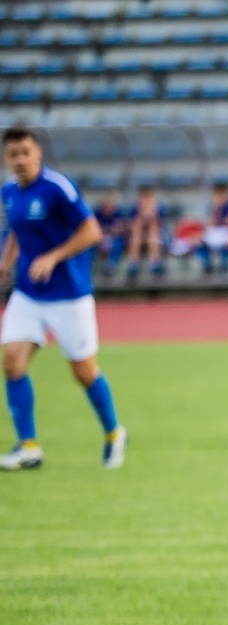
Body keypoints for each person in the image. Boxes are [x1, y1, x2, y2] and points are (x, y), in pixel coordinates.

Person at [0, 127, 126, 472]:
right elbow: (16, 230)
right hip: (29, 293)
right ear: (6, 158)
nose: (21, 160)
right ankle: (28, 447)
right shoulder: (9, 192)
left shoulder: (57, 188)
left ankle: (114, 432)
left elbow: (92, 231)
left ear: (37, 153)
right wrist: (7, 262)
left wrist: (53, 257)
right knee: (12, 361)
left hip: (69, 295)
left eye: (26, 152)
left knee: (83, 371)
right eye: (14, 154)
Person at [196, 182, 228, 276]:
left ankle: (224, 266)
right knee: (199, 242)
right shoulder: (213, 206)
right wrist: (216, 209)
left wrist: (221, 220)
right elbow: (211, 223)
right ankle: (207, 265)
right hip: (216, 233)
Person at [124, 185, 165, 281]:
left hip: (155, 237)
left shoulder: (159, 209)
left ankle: (155, 264)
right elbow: (133, 226)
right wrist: (142, 216)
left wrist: (151, 214)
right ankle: (133, 264)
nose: (146, 201)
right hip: (139, 237)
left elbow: (158, 226)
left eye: (149, 198)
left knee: (152, 235)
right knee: (136, 235)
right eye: (144, 198)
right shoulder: (135, 209)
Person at [93, 194, 127, 275]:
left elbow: (120, 230)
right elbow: (95, 230)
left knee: (119, 243)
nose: (108, 209)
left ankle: (110, 265)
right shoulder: (98, 214)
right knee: (91, 243)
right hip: (100, 239)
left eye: (110, 207)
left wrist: (110, 231)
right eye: (106, 207)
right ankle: (89, 264)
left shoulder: (118, 213)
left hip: (113, 240)